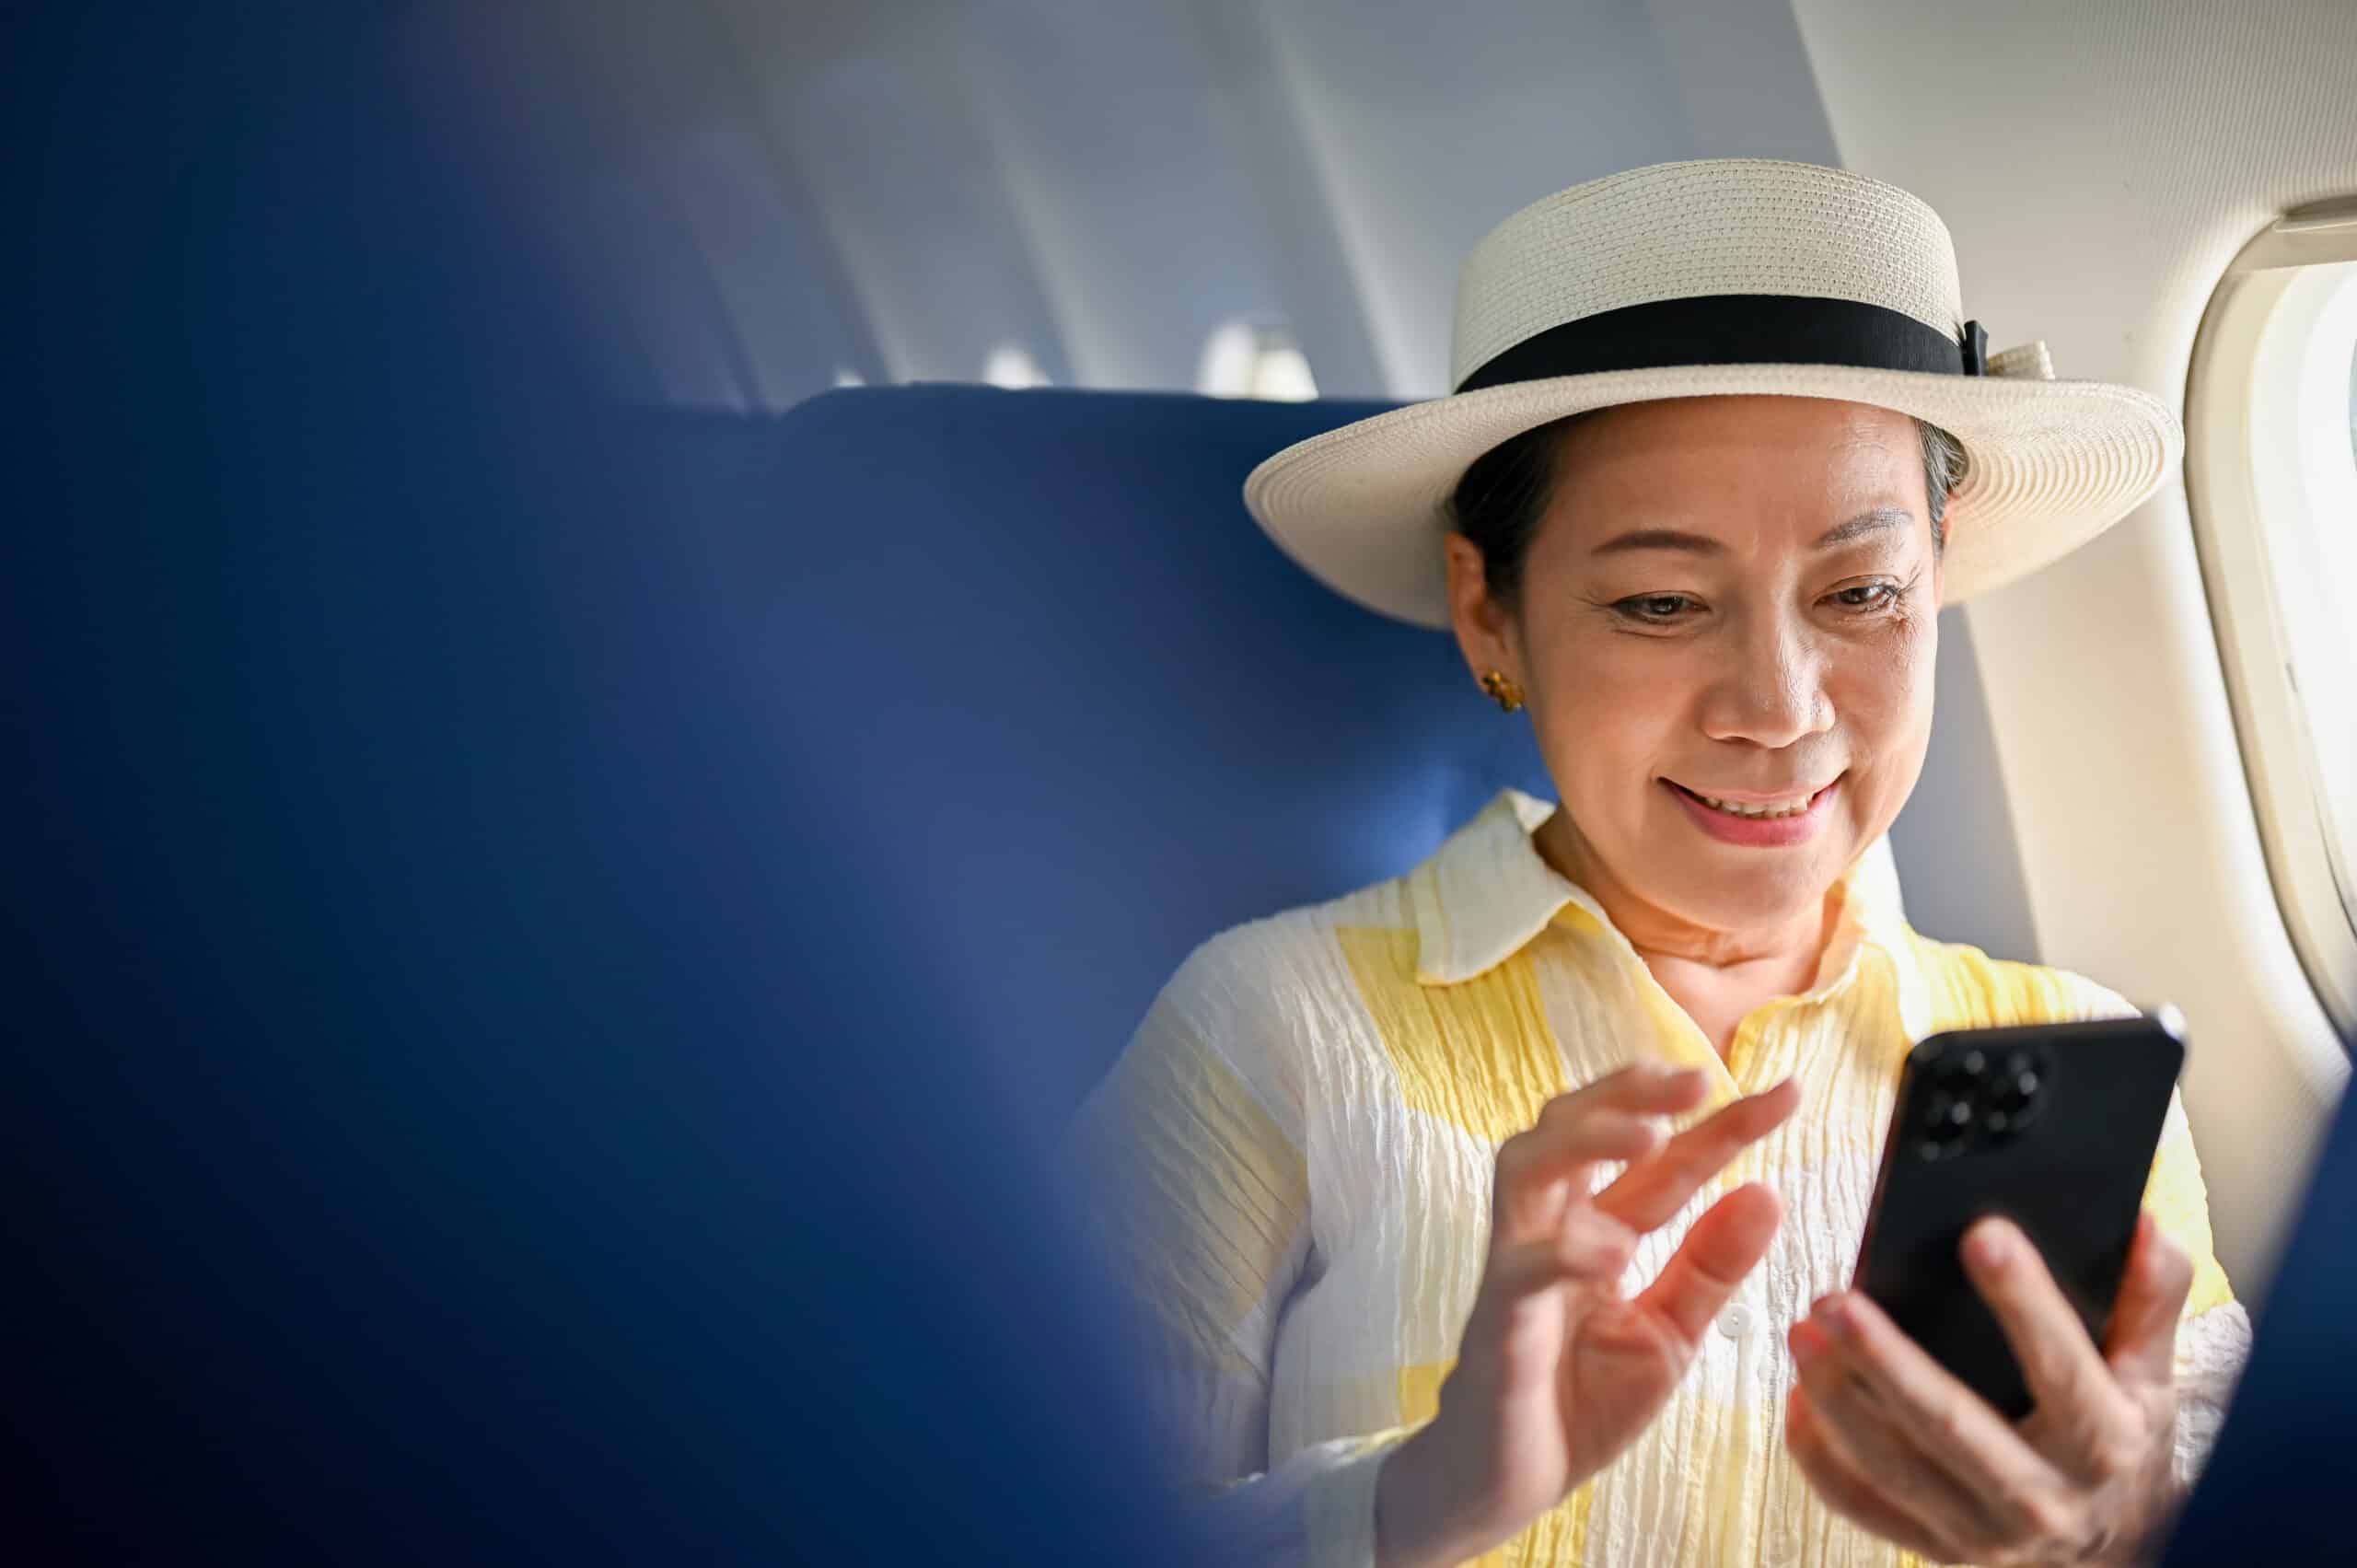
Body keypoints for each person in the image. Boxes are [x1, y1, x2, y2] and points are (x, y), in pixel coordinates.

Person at [1060, 159, 2251, 1567]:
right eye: (1662, 603)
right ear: (1488, 613)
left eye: (1862, 593)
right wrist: (1420, 1499)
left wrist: (2128, 1535)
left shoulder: (2078, 1068)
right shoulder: (1275, 1025)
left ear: (1935, 574)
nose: (1780, 705)